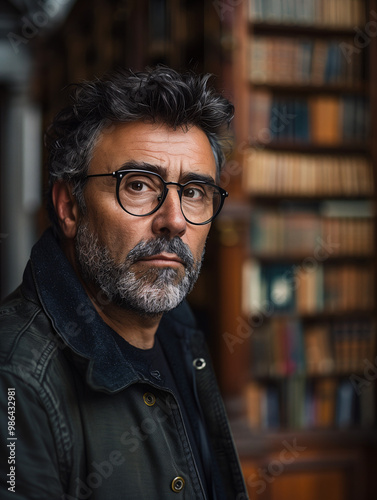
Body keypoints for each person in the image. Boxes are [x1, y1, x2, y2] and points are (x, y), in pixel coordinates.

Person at [0, 66, 248, 500]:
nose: (173, 221)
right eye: (137, 185)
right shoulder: (15, 381)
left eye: (193, 192)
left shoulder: (180, 327)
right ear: (69, 208)